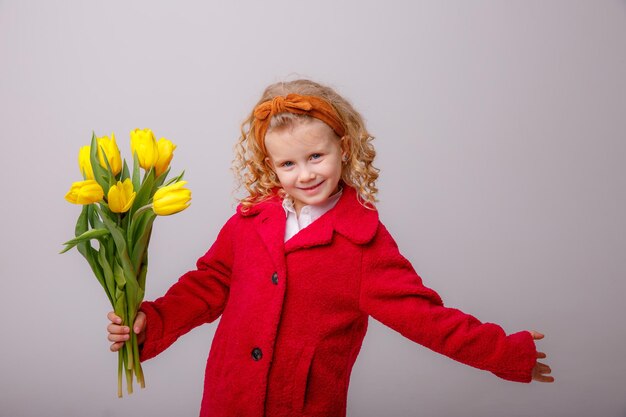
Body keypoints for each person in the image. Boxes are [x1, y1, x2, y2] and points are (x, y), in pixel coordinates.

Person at [107, 79, 554, 417]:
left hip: (300, 405)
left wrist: (504, 352)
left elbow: (426, 318)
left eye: (315, 157)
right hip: (229, 397)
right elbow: (209, 284)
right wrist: (153, 321)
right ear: (271, 165)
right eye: (288, 164)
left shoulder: (364, 244)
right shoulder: (250, 221)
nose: (304, 175)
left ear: (344, 148)